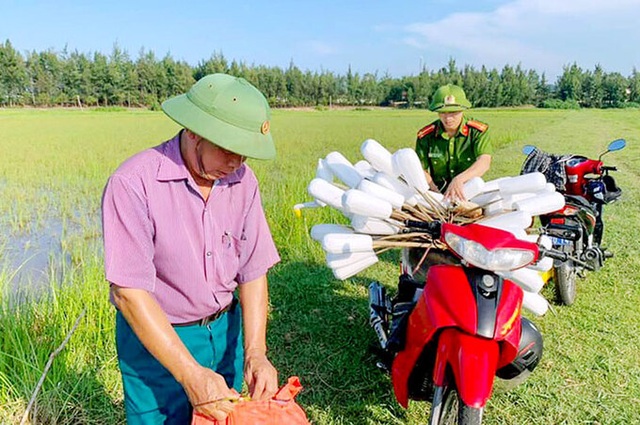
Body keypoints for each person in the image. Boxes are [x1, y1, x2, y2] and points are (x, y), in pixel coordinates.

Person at [101, 73, 281, 424]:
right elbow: (129, 294)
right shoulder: (133, 183)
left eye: (244, 154)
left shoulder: (243, 181)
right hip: (157, 340)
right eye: (228, 149)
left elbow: (253, 270)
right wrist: (189, 373)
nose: (236, 163)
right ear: (194, 131)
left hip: (226, 332)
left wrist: (255, 353)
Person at [415, 84, 493, 201]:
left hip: (469, 193)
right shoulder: (426, 136)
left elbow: (484, 162)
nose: (448, 118)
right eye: (443, 112)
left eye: (453, 112)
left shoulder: (477, 132)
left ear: (462, 110)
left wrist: (459, 180)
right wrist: (434, 191)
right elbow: (421, 169)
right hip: (436, 195)